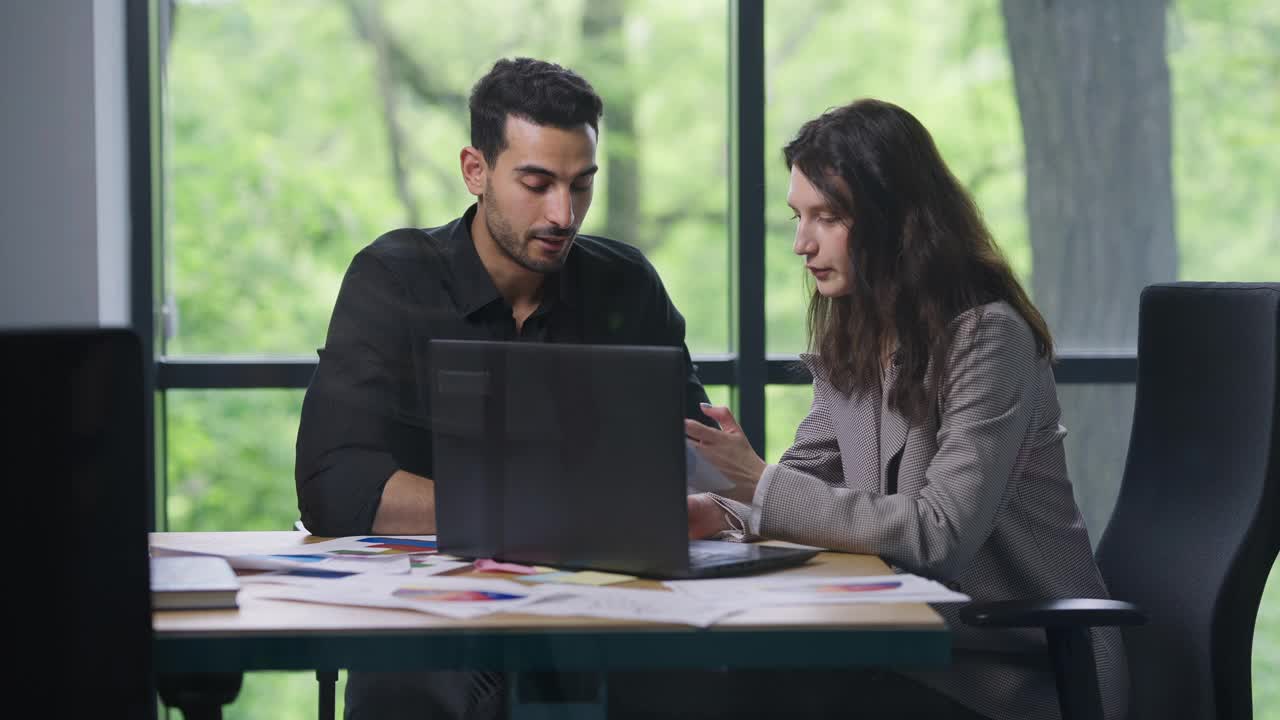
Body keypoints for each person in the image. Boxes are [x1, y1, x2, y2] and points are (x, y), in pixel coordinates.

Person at [681, 99, 1128, 720]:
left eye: (827, 218)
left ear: (896, 220)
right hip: (909, 650)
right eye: (797, 217)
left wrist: (755, 481)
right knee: (709, 679)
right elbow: (804, 483)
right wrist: (719, 511)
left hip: (1009, 673)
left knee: (745, 688)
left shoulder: (989, 338)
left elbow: (937, 533)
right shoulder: (856, 340)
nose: (800, 244)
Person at [295, 57, 712, 719]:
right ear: (475, 170)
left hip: (604, 614)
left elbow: (697, 466)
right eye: (537, 183)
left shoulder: (626, 284)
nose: (563, 213)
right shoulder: (392, 277)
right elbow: (336, 486)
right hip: (430, 621)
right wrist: (581, 514)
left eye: (581, 186)